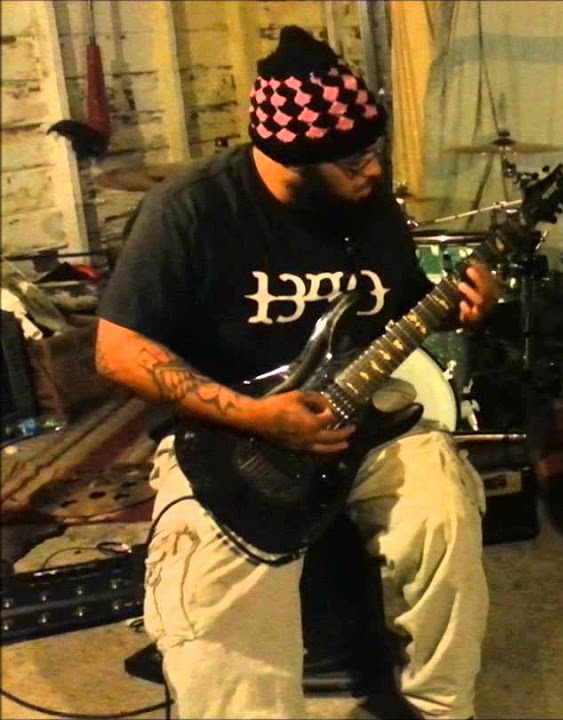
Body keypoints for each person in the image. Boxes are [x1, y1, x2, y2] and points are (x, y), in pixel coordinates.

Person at [95, 26, 498, 719]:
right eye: (354, 161)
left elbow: (399, 305)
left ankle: (440, 708)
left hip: (363, 420)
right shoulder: (191, 211)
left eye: (375, 151)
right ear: (290, 159)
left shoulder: (368, 207)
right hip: (227, 433)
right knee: (217, 604)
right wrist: (255, 416)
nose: (375, 172)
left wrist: (461, 306)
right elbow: (117, 348)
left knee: (444, 514)